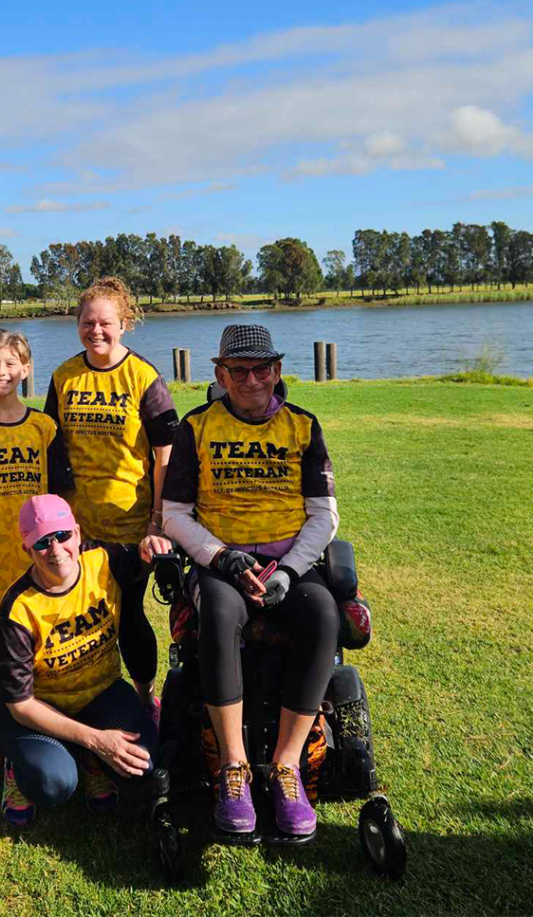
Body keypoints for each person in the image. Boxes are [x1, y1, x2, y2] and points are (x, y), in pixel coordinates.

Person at [161, 323, 340, 838]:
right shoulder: (195, 427)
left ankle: (287, 768)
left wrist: (288, 570)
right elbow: (174, 515)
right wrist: (224, 561)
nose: (252, 380)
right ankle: (233, 769)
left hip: (289, 560)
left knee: (323, 614)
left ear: (278, 371)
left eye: (262, 369)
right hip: (223, 564)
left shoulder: (304, 426)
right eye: (239, 371)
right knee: (217, 615)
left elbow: (323, 516)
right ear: (220, 374)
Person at [44, 277, 178, 724]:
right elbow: (54, 448)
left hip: (132, 525)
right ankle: (89, 699)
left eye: (105, 323)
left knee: (129, 616)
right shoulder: (63, 377)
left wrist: (156, 521)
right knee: (82, 618)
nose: (95, 331)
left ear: (124, 324)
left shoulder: (144, 377)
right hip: (78, 529)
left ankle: (145, 697)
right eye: (87, 322)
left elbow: (165, 457)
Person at [0, 495, 168, 828]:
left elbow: (144, 558)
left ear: (77, 532)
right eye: (42, 543)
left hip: (99, 692)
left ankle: (91, 759)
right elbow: (21, 706)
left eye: (62, 536)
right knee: (53, 783)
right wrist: (96, 739)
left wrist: (150, 544)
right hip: (36, 709)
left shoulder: (105, 560)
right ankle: (17, 766)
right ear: (26, 550)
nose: (56, 549)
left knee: (144, 762)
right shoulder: (16, 609)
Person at [0, 329, 73, 770]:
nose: (1, 372)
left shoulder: (43, 427)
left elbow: (63, 495)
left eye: (11, 364)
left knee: (44, 638)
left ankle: (50, 719)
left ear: (26, 369)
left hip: (38, 555)